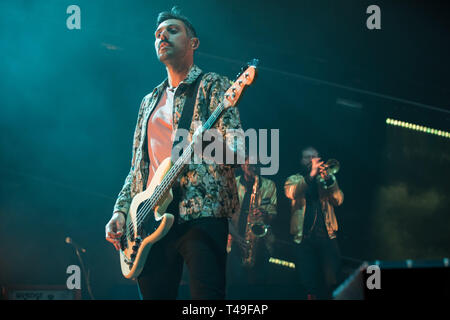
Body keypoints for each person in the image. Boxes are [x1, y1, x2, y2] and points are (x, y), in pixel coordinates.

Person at [105, 7, 243, 300]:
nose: (162, 36)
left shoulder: (214, 85)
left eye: (172, 29)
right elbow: (137, 167)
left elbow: (238, 151)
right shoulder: (148, 101)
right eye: (158, 33)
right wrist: (120, 211)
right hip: (148, 220)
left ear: (193, 42)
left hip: (201, 212)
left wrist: (208, 145)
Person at [284, 146, 344, 299]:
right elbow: (292, 192)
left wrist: (330, 180)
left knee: (332, 282)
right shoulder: (294, 179)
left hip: (327, 238)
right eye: (308, 157)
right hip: (303, 240)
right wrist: (311, 176)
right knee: (307, 285)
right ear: (301, 161)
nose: (312, 160)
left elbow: (338, 200)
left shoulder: (325, 179)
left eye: (315, 157)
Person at [227, 157, 277, 295]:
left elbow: (273, 216)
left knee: (260, 288)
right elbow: (225, 217)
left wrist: (265, 213)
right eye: (250, 166)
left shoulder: (269, 185)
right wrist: (237, 238)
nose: (254, 169)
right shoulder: (232, 185)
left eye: (257, 166)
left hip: (261, 243)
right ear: (243, 166)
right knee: (237, 286)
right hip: (236, 243)